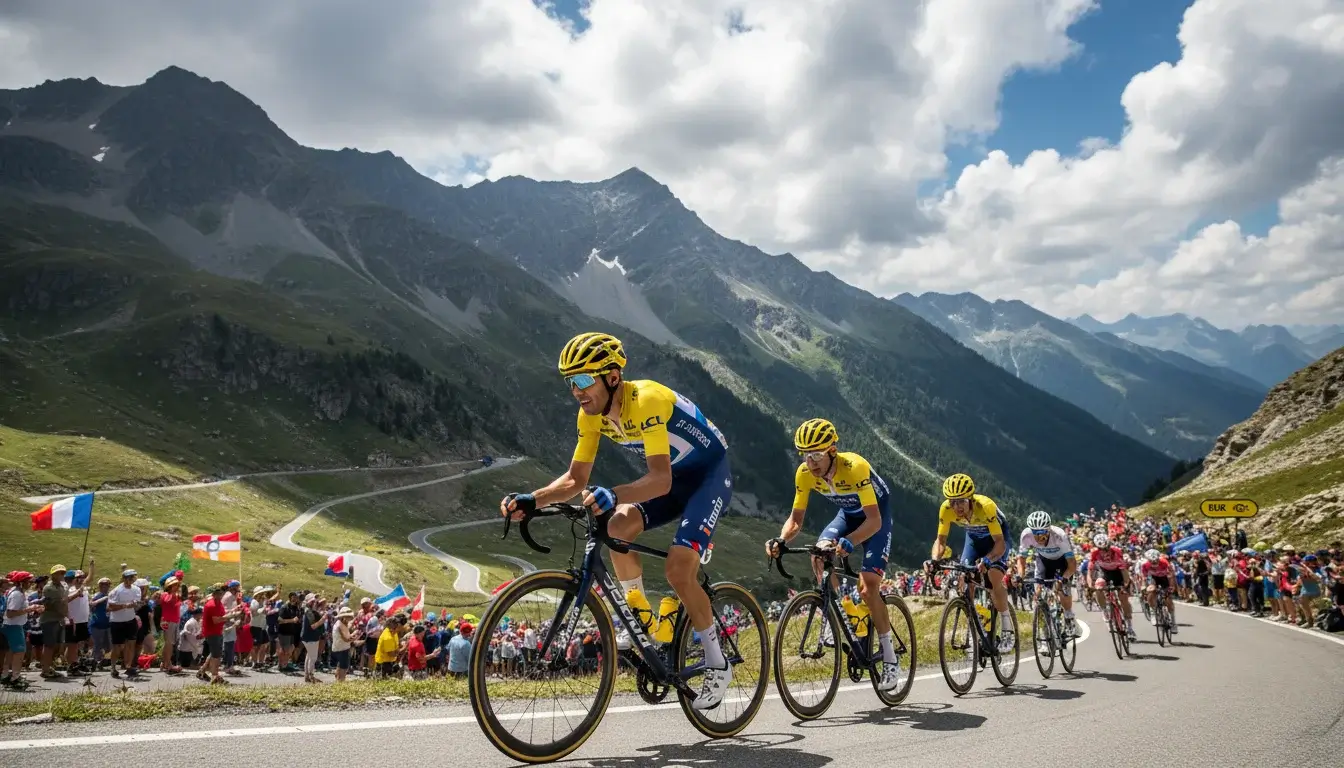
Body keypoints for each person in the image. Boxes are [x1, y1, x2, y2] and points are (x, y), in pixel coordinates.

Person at [500, 332, 735, 710]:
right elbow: (575, 480)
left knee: (678, 570)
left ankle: (716, 661)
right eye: (569, 382)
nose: (575, 391)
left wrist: (614, 492)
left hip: (708, 476)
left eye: (581, 380)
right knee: (615, 527)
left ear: (612, 377)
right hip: (673, 478)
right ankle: (639, 609)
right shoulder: (591, 413)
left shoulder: (647, 401)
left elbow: (659, 480)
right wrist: (533, 499)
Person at [764, 418, 903, 691]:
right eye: (805, 455)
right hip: (848, 515)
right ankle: (834, 612)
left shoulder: (855, 468)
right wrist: (781, 539)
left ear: (832, 451)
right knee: (818, 553)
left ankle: (889, 657)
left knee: (868, 587)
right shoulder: (804, 474)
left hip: (876, 516)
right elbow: (795, 520)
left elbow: (873, 521)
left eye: (816, 455)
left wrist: (850, 541)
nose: (810, 462)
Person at [928, 473, 1015, 653]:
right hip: (974, 539)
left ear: (970, 499)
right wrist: (934, 560)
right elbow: (941, 541)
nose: (956, 506)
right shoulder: (946, 509)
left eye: (961, 501)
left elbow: (1000, 543)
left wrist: (988, 559)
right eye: (952, 501)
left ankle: (1007, 626)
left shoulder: (986, 506)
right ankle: (977, 630)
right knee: (964, 580)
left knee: (993, 578)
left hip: (997, 539)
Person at [1014, 511, 1078, 634]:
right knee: (1038, 596)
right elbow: (1021, 559)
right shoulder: (1026, 535)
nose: (1038, 537)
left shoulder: (1059, 535)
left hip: (1062, 562)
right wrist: (1019, 576)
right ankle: (1044, 635)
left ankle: (1069, 616)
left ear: (1049, 530)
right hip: (1044, 561)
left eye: (1042, 533)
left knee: (1062, 589)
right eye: (1035, 533)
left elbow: (1072, 564)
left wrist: (1065, 578)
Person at [1089, 534, 1137, 640]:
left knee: (1124, 599)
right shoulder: (1094, 553)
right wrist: (1090, 584)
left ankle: (1129, 628)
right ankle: (1105, 611)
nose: (1104, 552)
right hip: (1105, 573)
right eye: (1101, 549)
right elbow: (1090, 570)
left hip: (1118, 573)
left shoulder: (1117, 551)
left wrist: (1125, 584)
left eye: (1106, 548)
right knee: (1098, 587)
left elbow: (1123, 570)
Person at [107, 569, 142, 679]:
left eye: (132, 577)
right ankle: (113, 667)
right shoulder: (116, 591)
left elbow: (136, 603)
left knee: (131, 644)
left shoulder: (136, 589)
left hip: (130, 620)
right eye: (128, 577)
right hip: (117, 621)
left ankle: (128, 666)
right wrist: (124, 606)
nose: (130, 580)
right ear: (124, 578)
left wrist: (136, 605)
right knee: (117, 646)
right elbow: (110, 607)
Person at [1140, 549, 1177, 635]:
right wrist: (1144, 587)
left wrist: (1172, 587)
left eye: (1156, 561)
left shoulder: (1164, 562)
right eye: (1152, 562)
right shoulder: (1145, 565)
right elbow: (1144, 578)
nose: (1154, 563)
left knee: (1168, 599)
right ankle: (1153, 611)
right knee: (1151, 591)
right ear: (1148, 560)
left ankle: (1173, 622)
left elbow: (1171, 576)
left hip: (1165, 578)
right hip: (1153, 578)